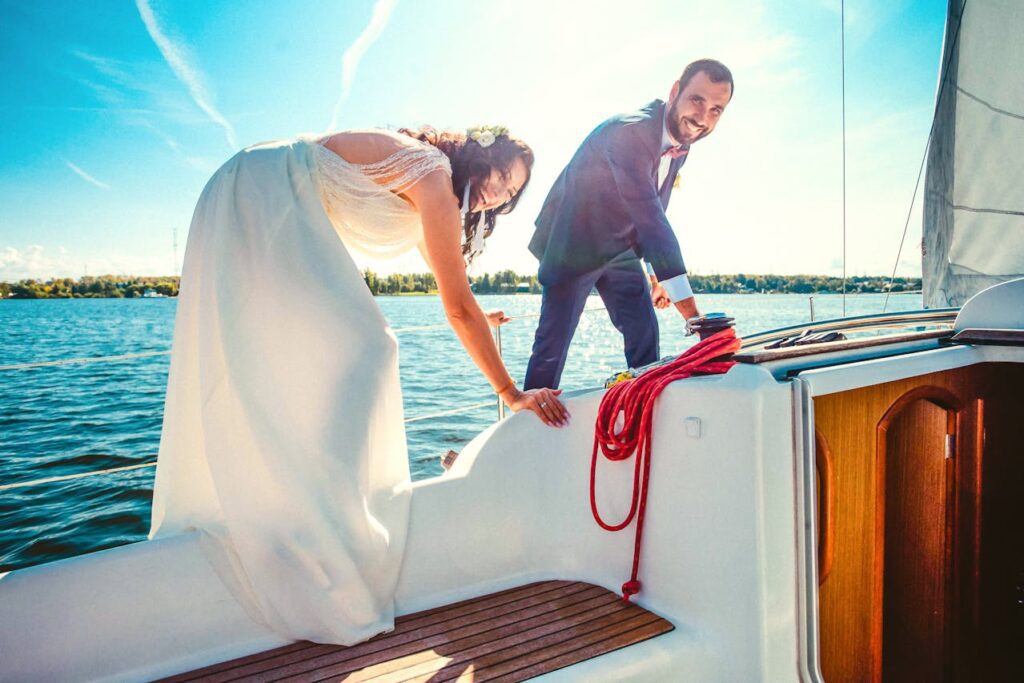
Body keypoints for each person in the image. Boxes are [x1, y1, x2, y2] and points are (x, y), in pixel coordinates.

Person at [148, 125, 569, 646]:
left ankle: (303, 506)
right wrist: (511, 393)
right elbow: (457, 307)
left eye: (511, 192)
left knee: (338, 349)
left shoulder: (430, 183)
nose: (500, 193)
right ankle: (317, 514)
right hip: (262, 187)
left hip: (258, 186)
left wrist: (482, 316)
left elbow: (451, 284)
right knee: (368, 345)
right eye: (502, 176)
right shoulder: (434, 177)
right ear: (480, 155)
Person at [525, 59, 734, 390]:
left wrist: (656, 276)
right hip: (573, 245)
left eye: (716, 110)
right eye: (697, 100)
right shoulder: (630, 132)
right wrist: (695, 319)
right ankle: (529, 426)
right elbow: (651, 218)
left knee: (644, 332)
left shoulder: (681, 142)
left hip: (620, 247)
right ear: (675, 91)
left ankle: (643, 407)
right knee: (552, 347)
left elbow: (655, 207)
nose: (702, 117)